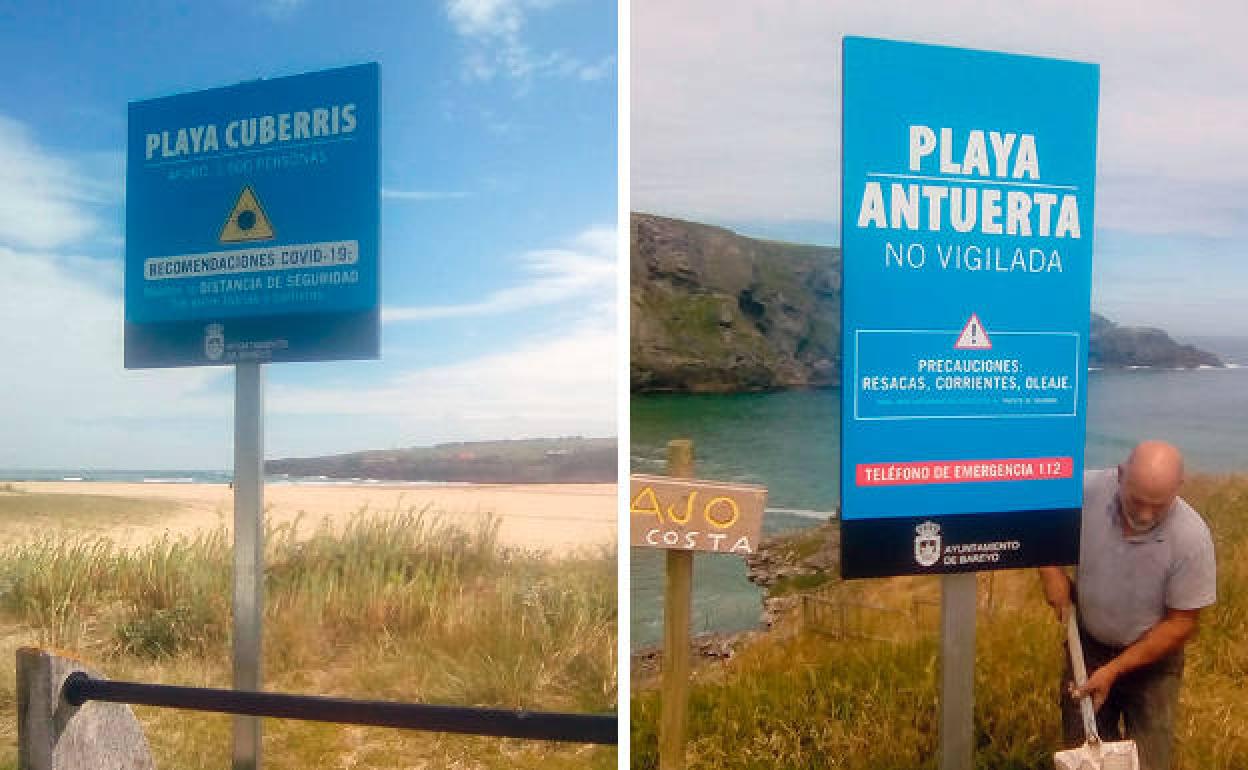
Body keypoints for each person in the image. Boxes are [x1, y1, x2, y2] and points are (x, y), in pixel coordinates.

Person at [1038, 440, 1216, 770]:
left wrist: (1115, 670)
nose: (1145, 514)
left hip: (1152, 665)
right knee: (1083, 755)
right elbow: (1040, 501)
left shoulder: (1192, 538)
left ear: (1179, 488)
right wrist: (1050, 569)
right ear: (1120, 475)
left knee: (1150, 760)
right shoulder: (1087, 490)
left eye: (1159, 505)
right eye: (1137, 501)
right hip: (1088, 648)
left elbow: (1182, 624)